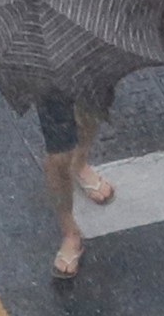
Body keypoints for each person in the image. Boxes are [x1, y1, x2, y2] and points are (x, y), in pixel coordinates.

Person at [36, 86, 117, 280]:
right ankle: (69, 231)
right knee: (59, 158)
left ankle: (80, 162)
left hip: (91, 65)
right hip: (50, 76)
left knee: (91, 113)